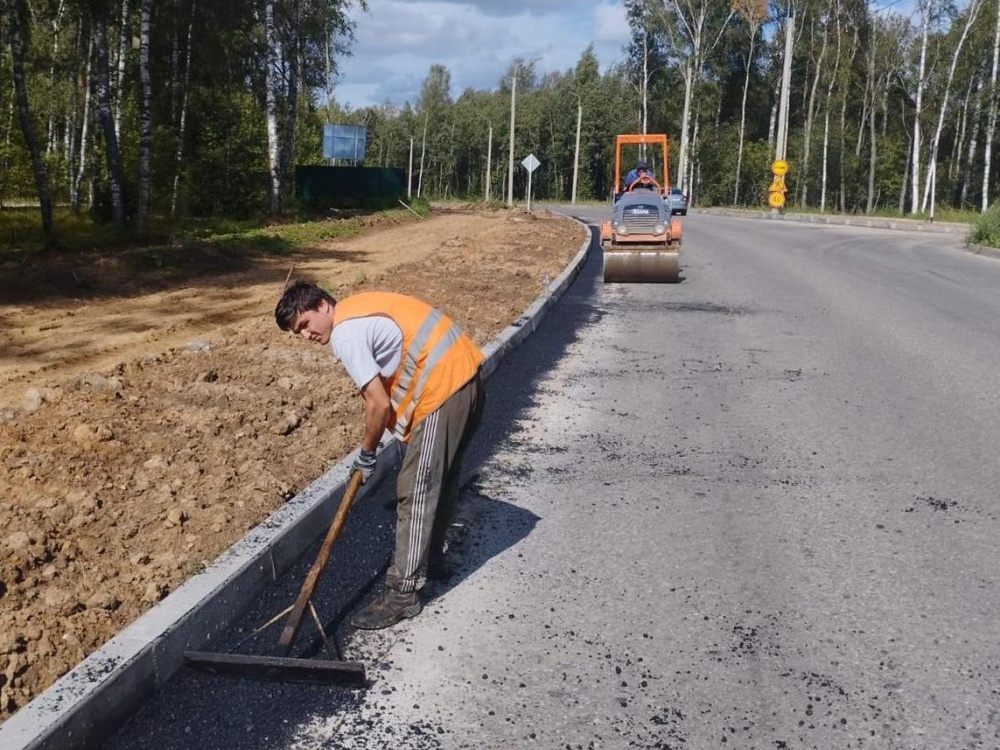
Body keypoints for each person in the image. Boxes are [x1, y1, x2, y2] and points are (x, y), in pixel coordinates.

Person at [275, 281, 486, 629]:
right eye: (297, 333)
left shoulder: (345, 334)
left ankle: (402, 594)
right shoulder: (360, 307)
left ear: (323, 305)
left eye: (304, 325)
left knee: (416, 491)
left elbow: (377, 402)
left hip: (443, 389)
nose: (305, 336)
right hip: (467, 378)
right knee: (441, 480)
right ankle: (430, 561)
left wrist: (367, 453)